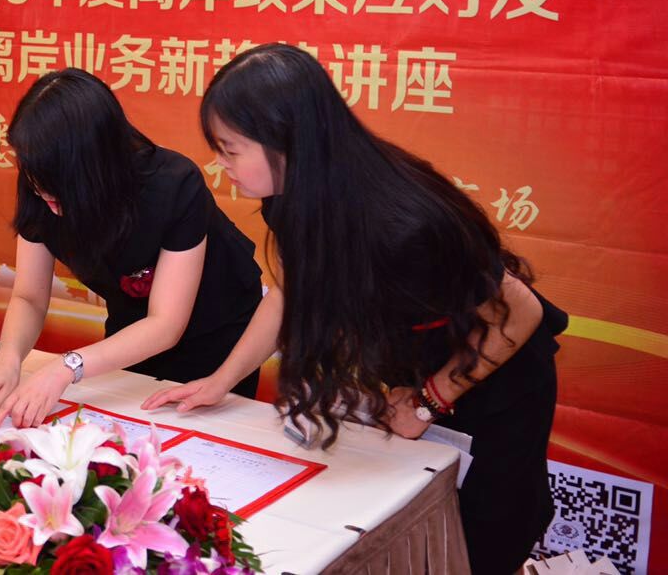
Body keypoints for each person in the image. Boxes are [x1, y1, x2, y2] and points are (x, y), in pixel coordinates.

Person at [143, 43, 567, 575]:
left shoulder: (403, 222)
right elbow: (289, 292)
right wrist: (221, 381)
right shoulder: (292, 194)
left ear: (288, 140)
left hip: (494, 369)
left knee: (482, 534)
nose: (221, 165)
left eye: (231, 150)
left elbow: (517, 313)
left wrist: (430, 400)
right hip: (414, 364)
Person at [0, 68, 265, 430]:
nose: (43, 193)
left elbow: (165, 324)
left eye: (57, 184)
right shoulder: (42, 179)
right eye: (34, 178)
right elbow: (29, 297)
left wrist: (65, 367)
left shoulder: (172, 186)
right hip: (132, 333)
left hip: (215, 332)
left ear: (96, 165)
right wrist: (9, 358)